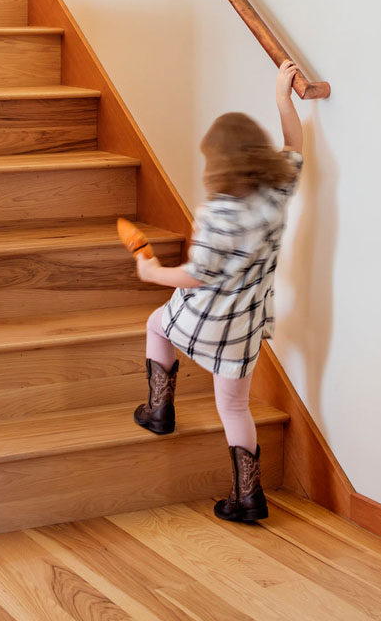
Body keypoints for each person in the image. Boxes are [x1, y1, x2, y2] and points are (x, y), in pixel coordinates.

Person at [132, 59, 303, 523]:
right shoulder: (279, 188)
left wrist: (152, 273)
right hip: (245, 322)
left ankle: (159, 409)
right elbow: (294, 145)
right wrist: (282, 99)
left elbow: (196, 275)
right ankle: (249, 497)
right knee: (233, 406)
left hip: (205, 315)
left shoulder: (217, 213)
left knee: (156, 325)